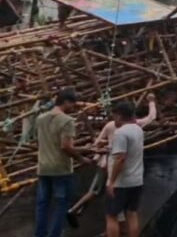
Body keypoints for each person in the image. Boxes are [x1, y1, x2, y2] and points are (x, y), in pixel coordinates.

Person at [67, 94, 156, 227]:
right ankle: (75, 210)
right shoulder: (137, 127)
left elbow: (103, 148)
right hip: (125, 170)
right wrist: (152, 102)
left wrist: (100, 151)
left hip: (111, 165)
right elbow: (151, 117)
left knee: (102, 197)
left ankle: (74, 210)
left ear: (119, 115)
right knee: (124, 208)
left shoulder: (115, 127)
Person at [35, 90, 92, 237]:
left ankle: (40, 234)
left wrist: (82, 148)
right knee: (62, 204)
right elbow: (65, 146)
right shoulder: (67, 121)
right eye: (72, 103)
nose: (73, 107)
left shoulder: (41, 118)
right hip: (60, 169)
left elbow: (45, 141)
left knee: (43, 204)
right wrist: (82, 158)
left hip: (43, 167)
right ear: (66, 101)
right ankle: (54, 234)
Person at [105, 101, 145, 237]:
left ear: (119, 116)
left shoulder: (120, 133)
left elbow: (120, 159)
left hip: (121, 182)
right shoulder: (138, 129)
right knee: (132, 213)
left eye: (114, 116)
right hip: (137, 180)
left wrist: (111, 182)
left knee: (112, 216)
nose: (113, 119)